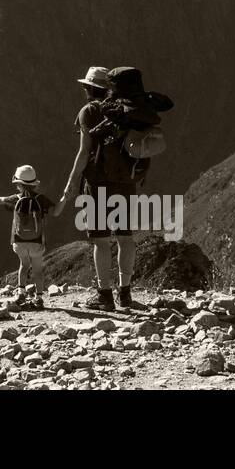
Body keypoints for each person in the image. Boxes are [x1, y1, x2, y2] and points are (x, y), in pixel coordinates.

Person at [53, 66, 137, 310]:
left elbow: (84, 151)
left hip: (98, 183)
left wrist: (70, 183)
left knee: (101, 241)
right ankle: (126, 294)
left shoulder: (89, 111)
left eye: (85, 86)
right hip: (125, 181)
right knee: (125, 238)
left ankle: (104, 295)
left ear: (90, 88)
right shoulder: (126, 109)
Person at [0, 165, 52, 297]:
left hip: (19, 241)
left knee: (23, 265)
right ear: (34, 184)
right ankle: (39, 297)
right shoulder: (41, 199)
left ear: (18, 184)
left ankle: (21, 293)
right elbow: (56, 211)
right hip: (37, 242)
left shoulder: (15, 199)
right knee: (37, 270)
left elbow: (0, 200)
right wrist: (65, 198)